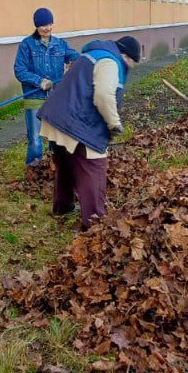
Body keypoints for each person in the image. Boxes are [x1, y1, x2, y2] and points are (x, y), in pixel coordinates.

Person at [37, 35, 141, 229]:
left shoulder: (92, 54)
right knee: (94, 166)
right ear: (126, 56)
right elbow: (103, 96)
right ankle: (95, 221)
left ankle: (63, 206)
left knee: (66, 163)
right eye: (131, 62)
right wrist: (114, 123)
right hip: (74, 122)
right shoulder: (110, 62)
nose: (130, 67)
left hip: (56, 116)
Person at [13, 8, 79, 168]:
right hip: (34, 98)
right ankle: (34, 169)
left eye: (50, 24)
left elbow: (75, 56)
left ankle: (53, 167)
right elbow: (19, 70)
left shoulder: (60, 44)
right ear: (36, 26)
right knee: (35, 138)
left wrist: (74, 63)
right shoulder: (27, 45)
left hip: (55, 98)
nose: (47, 28)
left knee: (55, 136)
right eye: (43, 25)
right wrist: (39, 81)